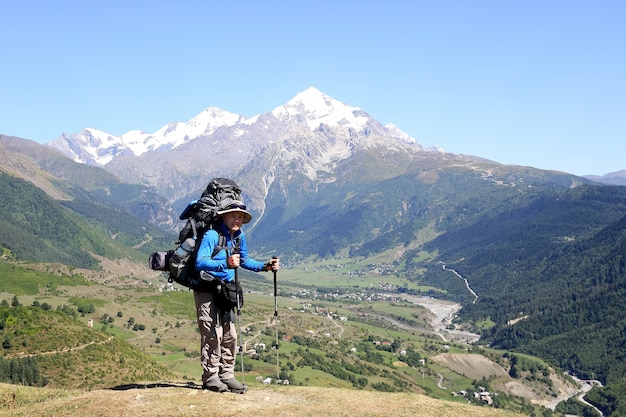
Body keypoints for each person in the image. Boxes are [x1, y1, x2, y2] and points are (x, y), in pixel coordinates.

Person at [194, 200, 280, 393]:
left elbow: (244, 260)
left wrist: (265, 266)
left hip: (227, 290)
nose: (237, 219)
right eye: (234, 215)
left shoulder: (239, 236)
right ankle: (211, 377)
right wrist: (225, 263)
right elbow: (200, 262)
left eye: (241, 217)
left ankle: (227, 375)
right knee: (212, 332)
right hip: (207, 288)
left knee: (230, 334)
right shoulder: (211, 235)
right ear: (224, 216)